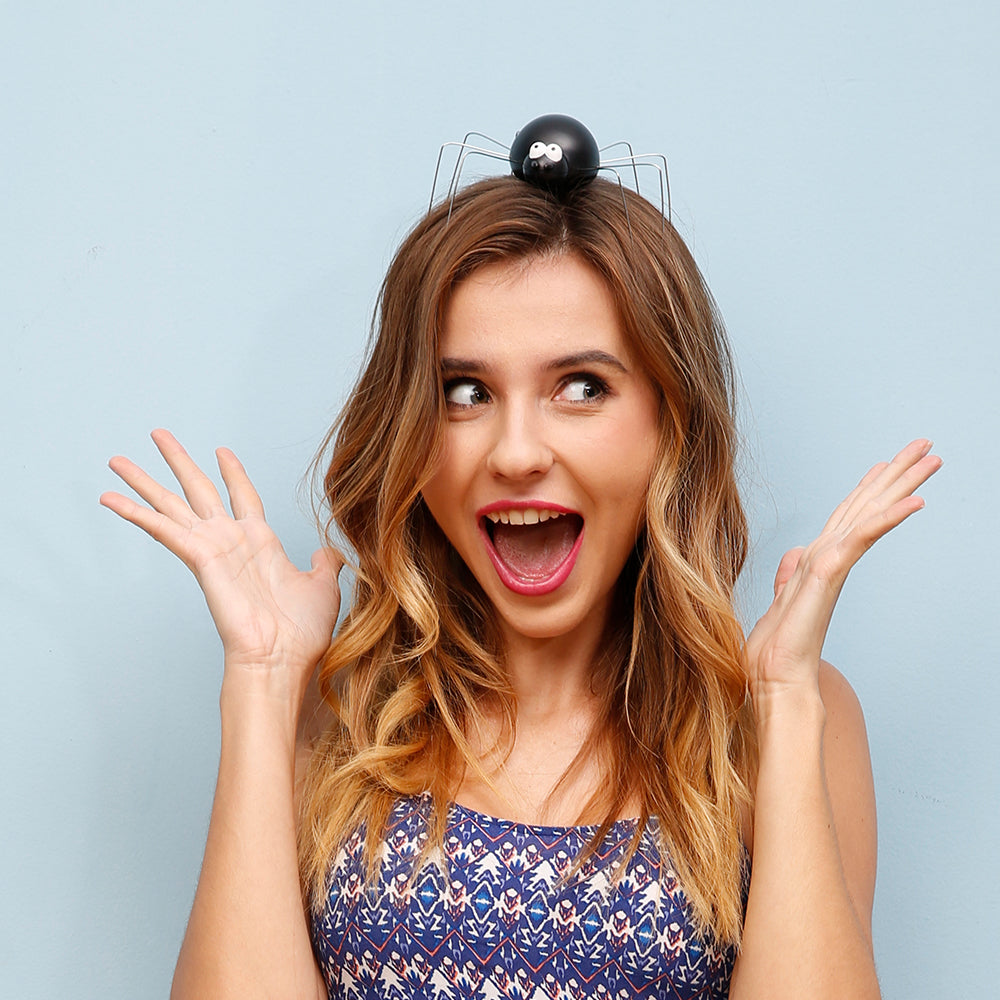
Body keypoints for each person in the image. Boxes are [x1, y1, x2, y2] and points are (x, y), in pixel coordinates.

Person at [101, 166, 940, 999]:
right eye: (465, 392)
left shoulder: (781, 716)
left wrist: (786, 698)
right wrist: (261, 679)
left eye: (581, 388)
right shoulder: (328, 712)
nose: (514, 453)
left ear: (670, 423)